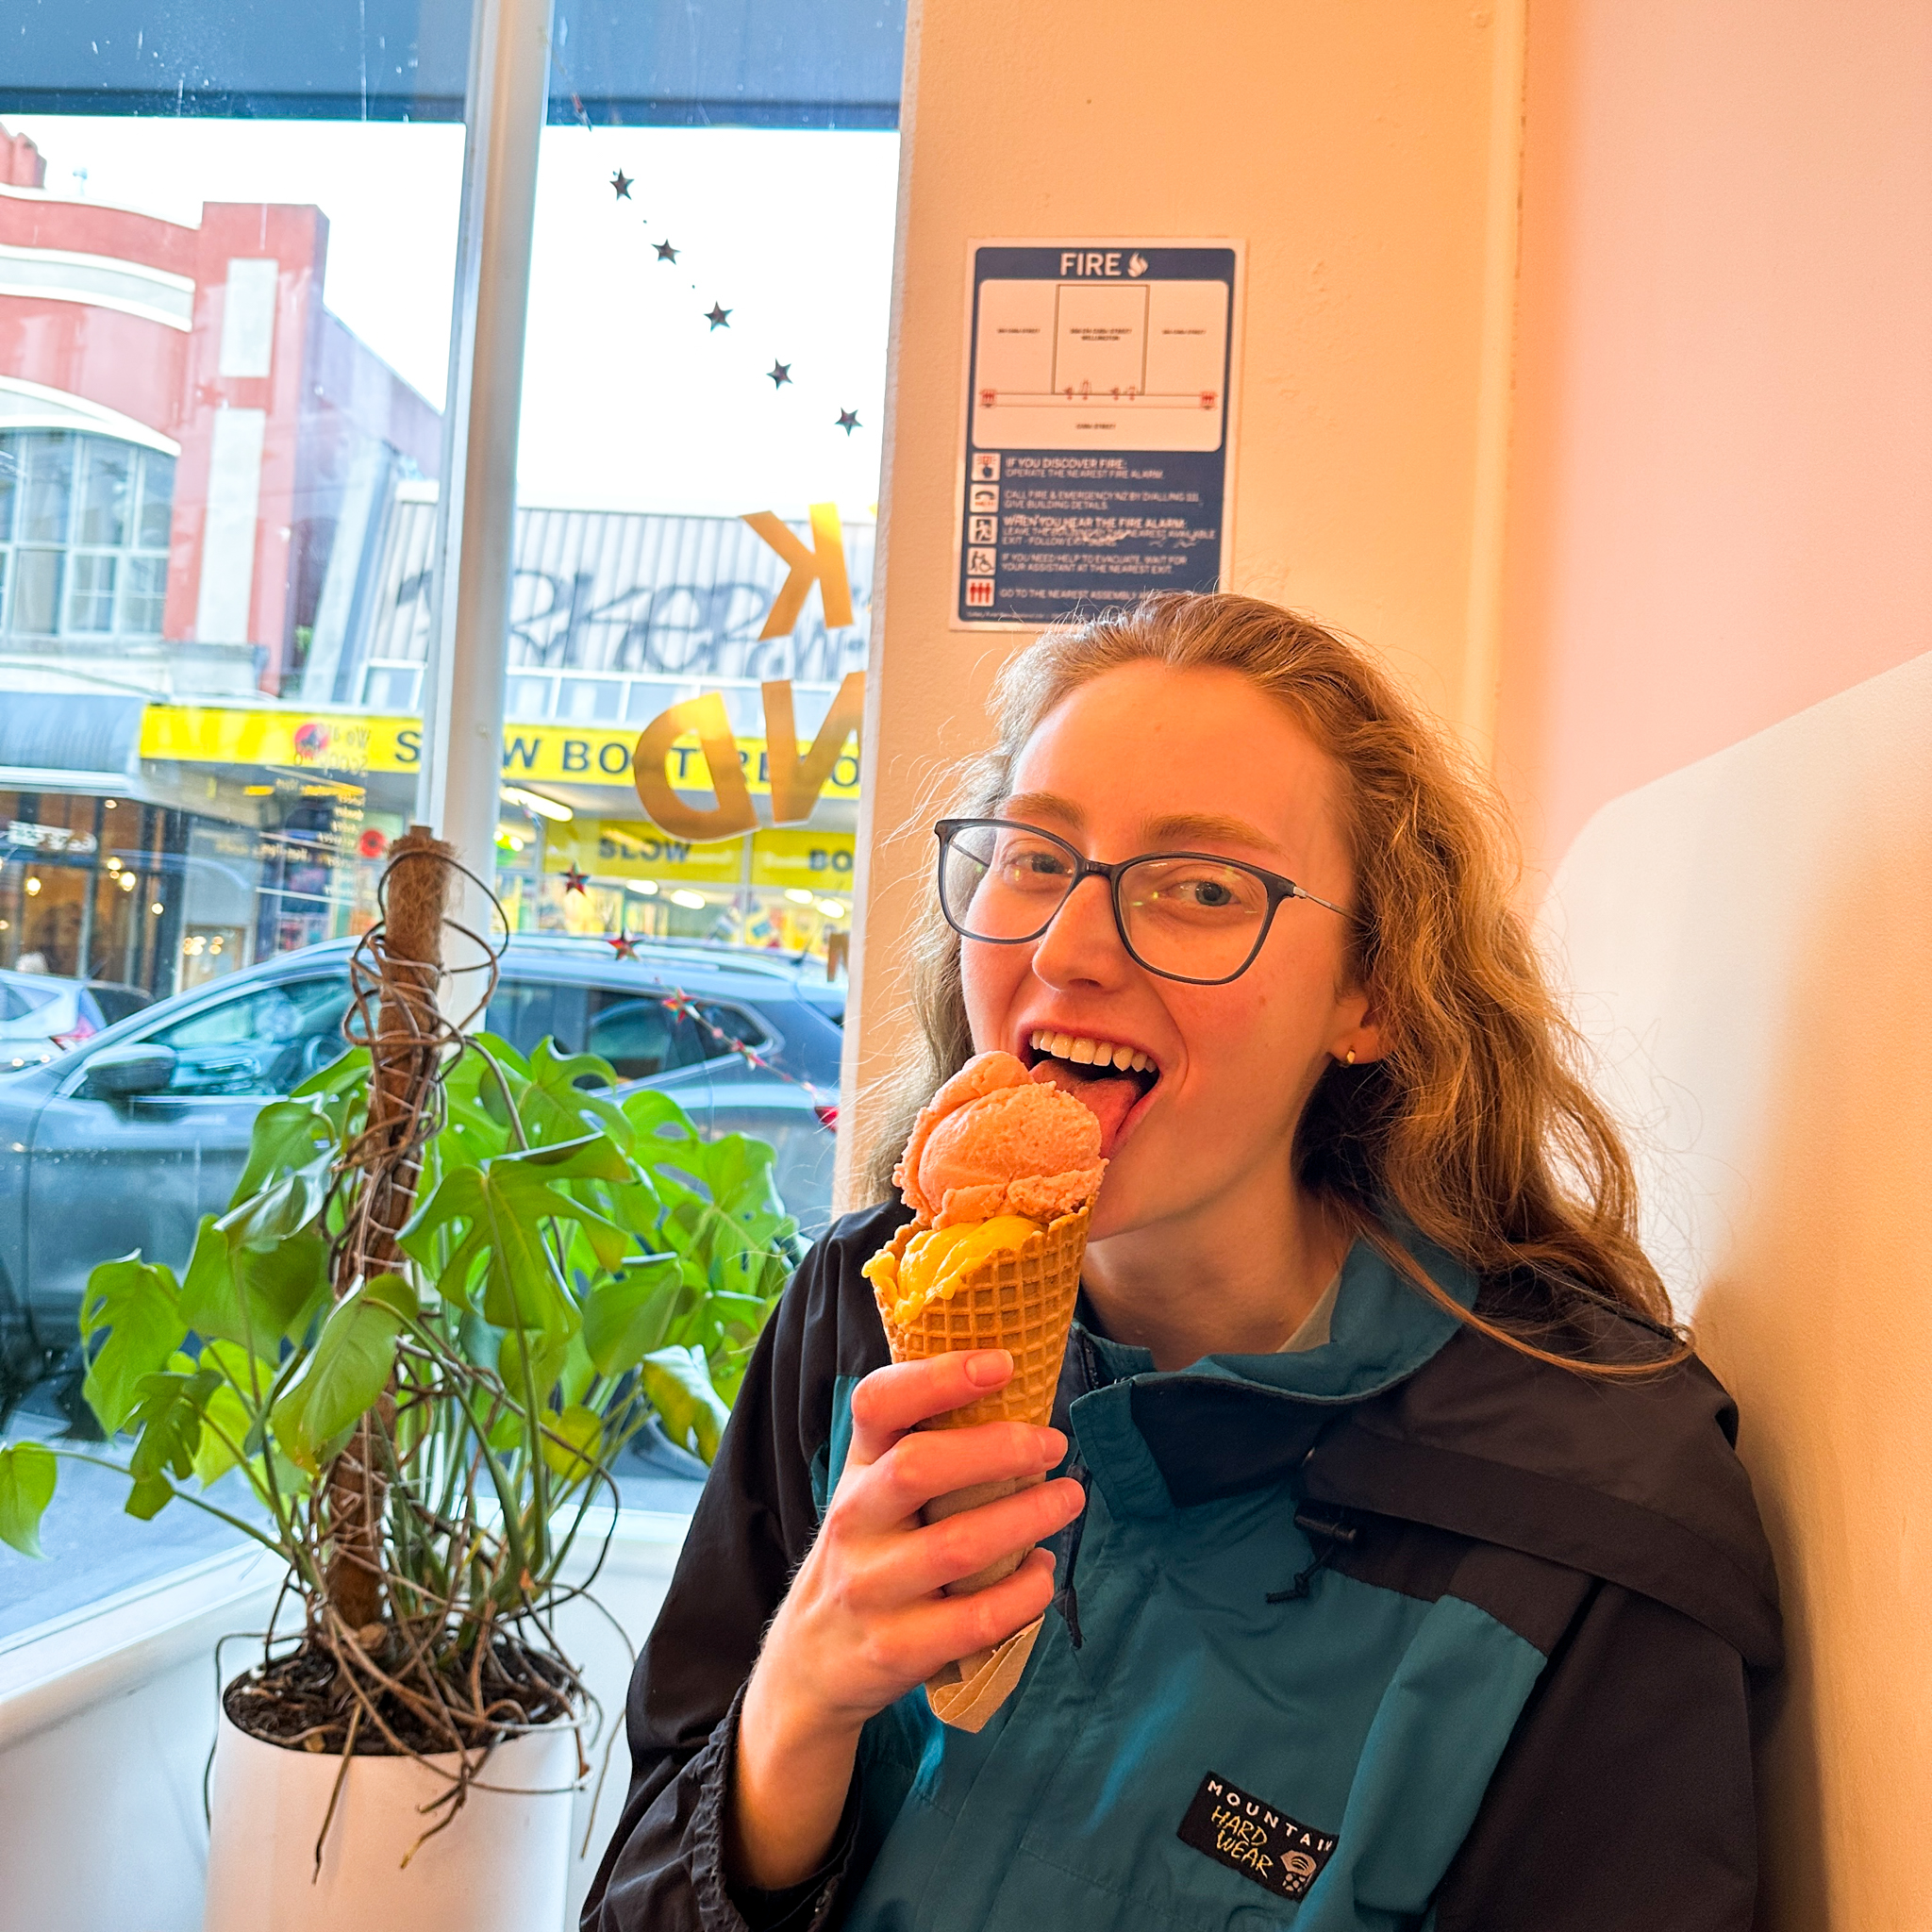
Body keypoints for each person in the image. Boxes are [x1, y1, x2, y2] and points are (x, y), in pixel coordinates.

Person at [583, 592, 1778, 1931]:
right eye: (1033, 857)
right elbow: (637, 1875)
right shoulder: (866, 1318)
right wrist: (791, 1712)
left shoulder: (1590, 1516)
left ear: (1371, 993)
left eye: (1205, 888)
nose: (1068, 950)